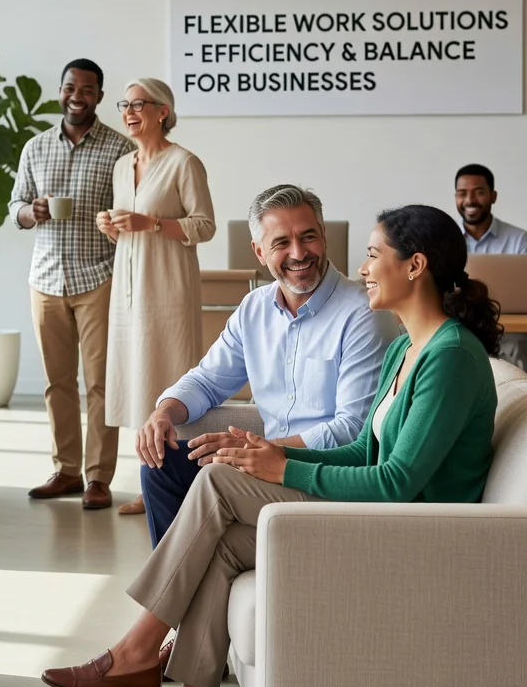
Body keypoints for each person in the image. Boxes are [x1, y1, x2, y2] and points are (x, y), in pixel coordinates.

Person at [42, 204, 499, 687]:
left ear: (415, 265)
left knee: (216, 481)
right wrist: (269, 451)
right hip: (379, 517)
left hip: (412, 537)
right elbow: (365, 449)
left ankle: (137, 649)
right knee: (221, 545)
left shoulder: (450, 358)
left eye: (373, 254)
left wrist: (281, 466)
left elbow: (397, 482)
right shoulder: (408, 346)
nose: (362, 267)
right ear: (262, 252)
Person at [137, 184, 396, 548]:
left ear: (324, 236)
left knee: (208, 478)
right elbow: (208, 381)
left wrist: (261, 450)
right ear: (259, 251)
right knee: (160, 465)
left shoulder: (363, 314)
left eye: (308, 237)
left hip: (322, 472)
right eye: (281, 243)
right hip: (265, 462)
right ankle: (178, 580)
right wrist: (163, 412)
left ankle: (172, 584)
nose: (299, 253)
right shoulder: (254, 308)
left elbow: (353, 429)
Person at [9, 58, 135, 510]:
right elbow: (15, 207)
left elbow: (129, 211)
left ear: (99, 96)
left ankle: (98, 477)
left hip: (98, 276)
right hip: (45, 278)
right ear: (60, 91)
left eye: (86, 89)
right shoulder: (36, 147)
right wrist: (32, 212)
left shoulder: (121, 149)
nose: (76, 96)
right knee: (56, 382)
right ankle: (65, 471)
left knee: (101, 383)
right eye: (69, 87)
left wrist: (113, 223)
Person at [96, 79, 215, 517]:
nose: (128, 112)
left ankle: (175, 483)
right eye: (124, 105)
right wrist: (112, 227)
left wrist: (151, 223)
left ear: (162, 111)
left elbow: (204, 225)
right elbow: (131, 228)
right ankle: (150, 484)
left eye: (138, 104)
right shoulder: (121, 165)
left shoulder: (184, 162)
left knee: (167, 375)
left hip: (167, 289)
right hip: (128, 290)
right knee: (137, 379)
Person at [455, 162, 527, 367]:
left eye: (479, 192)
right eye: (462, 193)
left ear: (493, 196)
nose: (470, 200)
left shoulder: (520, 240)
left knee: (516, 347)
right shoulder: (445, 239)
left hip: (507, 328)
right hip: (456, 322)